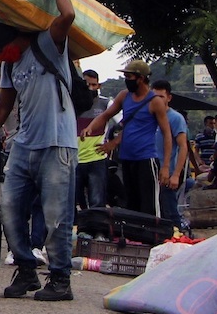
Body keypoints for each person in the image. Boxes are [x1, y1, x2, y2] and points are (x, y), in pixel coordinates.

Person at [0, 0, 79, 302]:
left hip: (58, 145)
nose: (2, 57)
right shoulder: (11, 67)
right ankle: (26, 270)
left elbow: (68, 13)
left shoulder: (48, 43)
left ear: (16, 36)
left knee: (57, 216)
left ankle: (60, 279)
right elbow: (2, 108)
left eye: (4, 48)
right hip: (24, 144)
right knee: (10, 209)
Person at [86, 59, 174, 218]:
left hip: (146, 159)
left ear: (140, 78)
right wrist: (90, 127)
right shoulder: (124, 96)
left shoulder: (155, 102)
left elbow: (167, 133)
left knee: (149, 206)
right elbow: (106, 115)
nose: (127, 80)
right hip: (126, 159)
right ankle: (135, 240)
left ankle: (152, 238)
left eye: (129, 77)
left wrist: (166, 166)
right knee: (131, 205)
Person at [151, 81, 191, 234]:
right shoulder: (149, 115)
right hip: (150, 170)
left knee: (170, 212)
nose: (158, 100)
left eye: (161, 96)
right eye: (155, 97)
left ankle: (179, 238)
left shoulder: (175, 118)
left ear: (169, 97)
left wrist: (176, 175)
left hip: (167, 173)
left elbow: (183, 147)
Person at [75, 68, 109, 210]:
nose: (90, 88)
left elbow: (125, 123)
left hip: (96, 159)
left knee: (96, 202)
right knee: (74, 202)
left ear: (98, 86)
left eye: (94, 85)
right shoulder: (73, 104)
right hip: (74, 159)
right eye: (87, 85)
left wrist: (112, 144)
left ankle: (97, 230)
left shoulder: (106, 104)